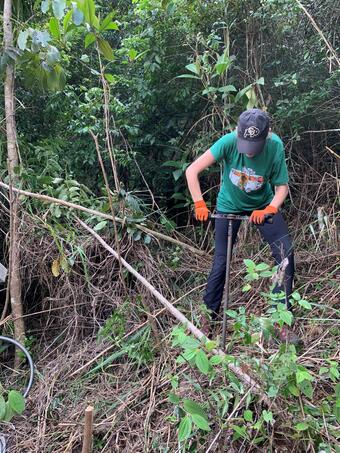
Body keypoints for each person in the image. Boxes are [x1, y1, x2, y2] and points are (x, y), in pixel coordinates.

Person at [185, 108, 301, 344]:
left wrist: (270, 209)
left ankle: (280, 322)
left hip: (263, 204)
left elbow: (282, 187)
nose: (249, 153)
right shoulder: (227, 142)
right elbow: (192, 170)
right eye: (245, 145)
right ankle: (208, 318)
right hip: (229, 205)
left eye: (254, 147)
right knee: (221, 261)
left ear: (266, 137)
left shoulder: (275, 145)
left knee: (285, 255)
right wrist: (199, 203)